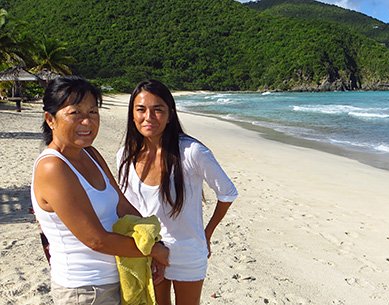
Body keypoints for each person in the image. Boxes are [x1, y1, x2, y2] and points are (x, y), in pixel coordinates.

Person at [31, 76, 169, 305]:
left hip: (116, 278)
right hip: (84, 290)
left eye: (93, 112)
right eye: (75, 113)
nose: (87, 122)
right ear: (50, 119)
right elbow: (95, 239)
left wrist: (154, 239)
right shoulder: (52, 167)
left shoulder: (90, 154)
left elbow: (123, 206)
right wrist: (152, 251)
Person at [117, 79, 238, 305]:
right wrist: (149, 249)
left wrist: (207, 234)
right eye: (141, 110)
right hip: (150, 250)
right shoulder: (125, 155)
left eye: (158, 110)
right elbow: (129, 208)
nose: (149, 117)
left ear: (170, 114)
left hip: (188, 251)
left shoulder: (191, 152)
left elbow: (228, 192)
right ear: (132, 114)